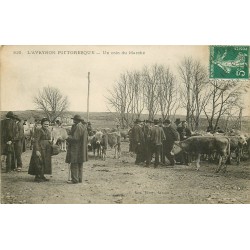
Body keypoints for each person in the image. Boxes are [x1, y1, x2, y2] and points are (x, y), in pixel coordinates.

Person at [65, 115, 88, 184]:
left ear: (76, 120)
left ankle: (74, 180)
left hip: (76, 148)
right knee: (80, 164)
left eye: (74, 120)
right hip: (81, 149)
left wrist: (67, 137)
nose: (73, 121)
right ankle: (79, 179)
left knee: (74, 163)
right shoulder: (83, 126)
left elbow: (75, 138)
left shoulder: (78, 126)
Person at [28, 118, 52, 182]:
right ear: (42, 124)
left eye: (47, 124)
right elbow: (36, 141)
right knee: (38, 162)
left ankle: (42, 176)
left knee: (44, 162)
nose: (46, 125)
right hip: (39, 148)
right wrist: (37, 150)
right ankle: (37, 177)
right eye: (45, 124)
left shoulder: (48, 130)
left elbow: (49, 139)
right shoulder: (39, 130)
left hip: (45, 149)